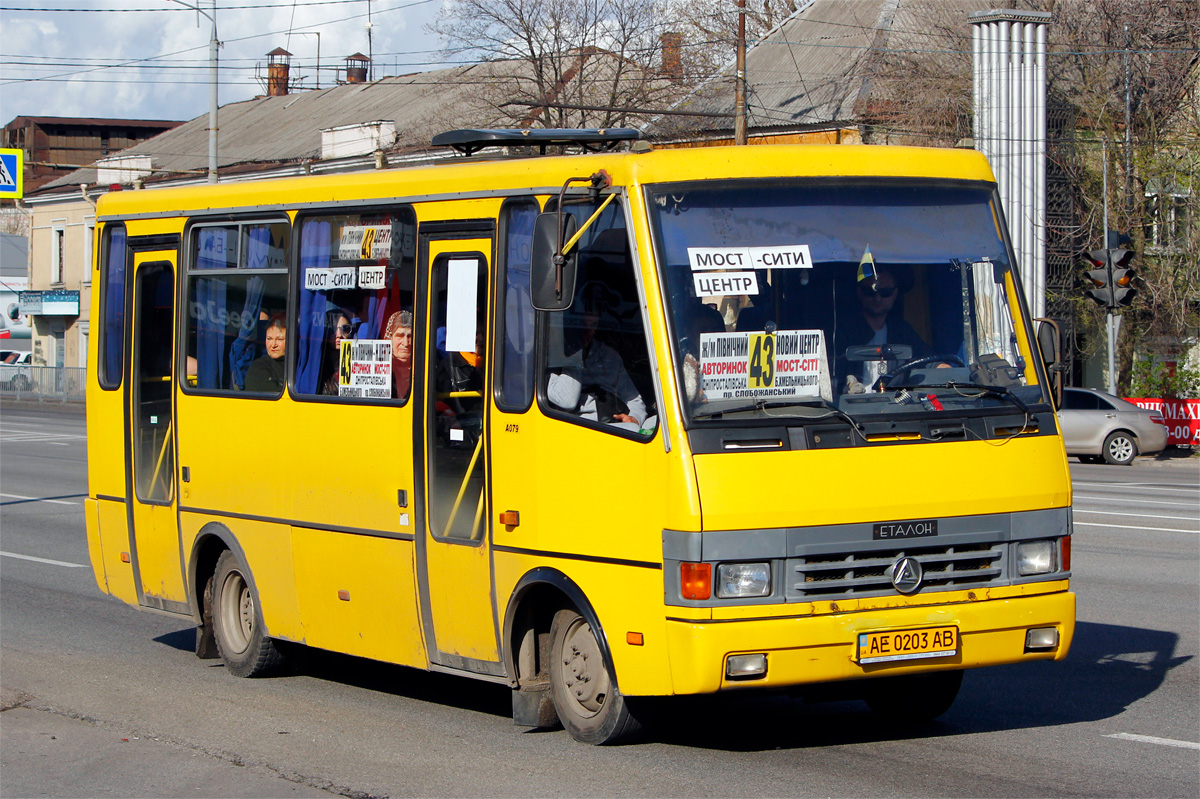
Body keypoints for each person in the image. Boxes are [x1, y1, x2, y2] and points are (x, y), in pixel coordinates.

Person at [547, 291, 647, 427]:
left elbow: (633, 399)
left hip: (613, 425)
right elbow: (567, 400)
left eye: (592, 326)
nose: (588, 333)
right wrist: (574, 354)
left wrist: (634, 419)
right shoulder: (551, 357)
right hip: (574, 427)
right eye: (583, 327)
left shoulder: (608, 356)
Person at [836, 263, 930, 391]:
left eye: (885, 292)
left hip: (893, 407)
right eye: (870, 292)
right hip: (851, 409)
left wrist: (944, 368)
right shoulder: (842, 332)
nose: (877, 298)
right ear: (859, 293)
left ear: (895, 294)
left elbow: (927, 360)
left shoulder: (902, 331)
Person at [243, 313, 286, 393]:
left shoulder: (298, 366)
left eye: (279, 339)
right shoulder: (258, 367)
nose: (273, 345)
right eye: (269, 339)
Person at [321, 310, 355, 396]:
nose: (339, 335)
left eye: (345, 329)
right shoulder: (317, 366)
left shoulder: (356, 365)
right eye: (333, 329)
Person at [385, 309, 413, 400]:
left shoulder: (426, 367)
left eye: (410, 336)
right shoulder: (383, 368)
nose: (405, 343)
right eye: (400, 335)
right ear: (390, 338)